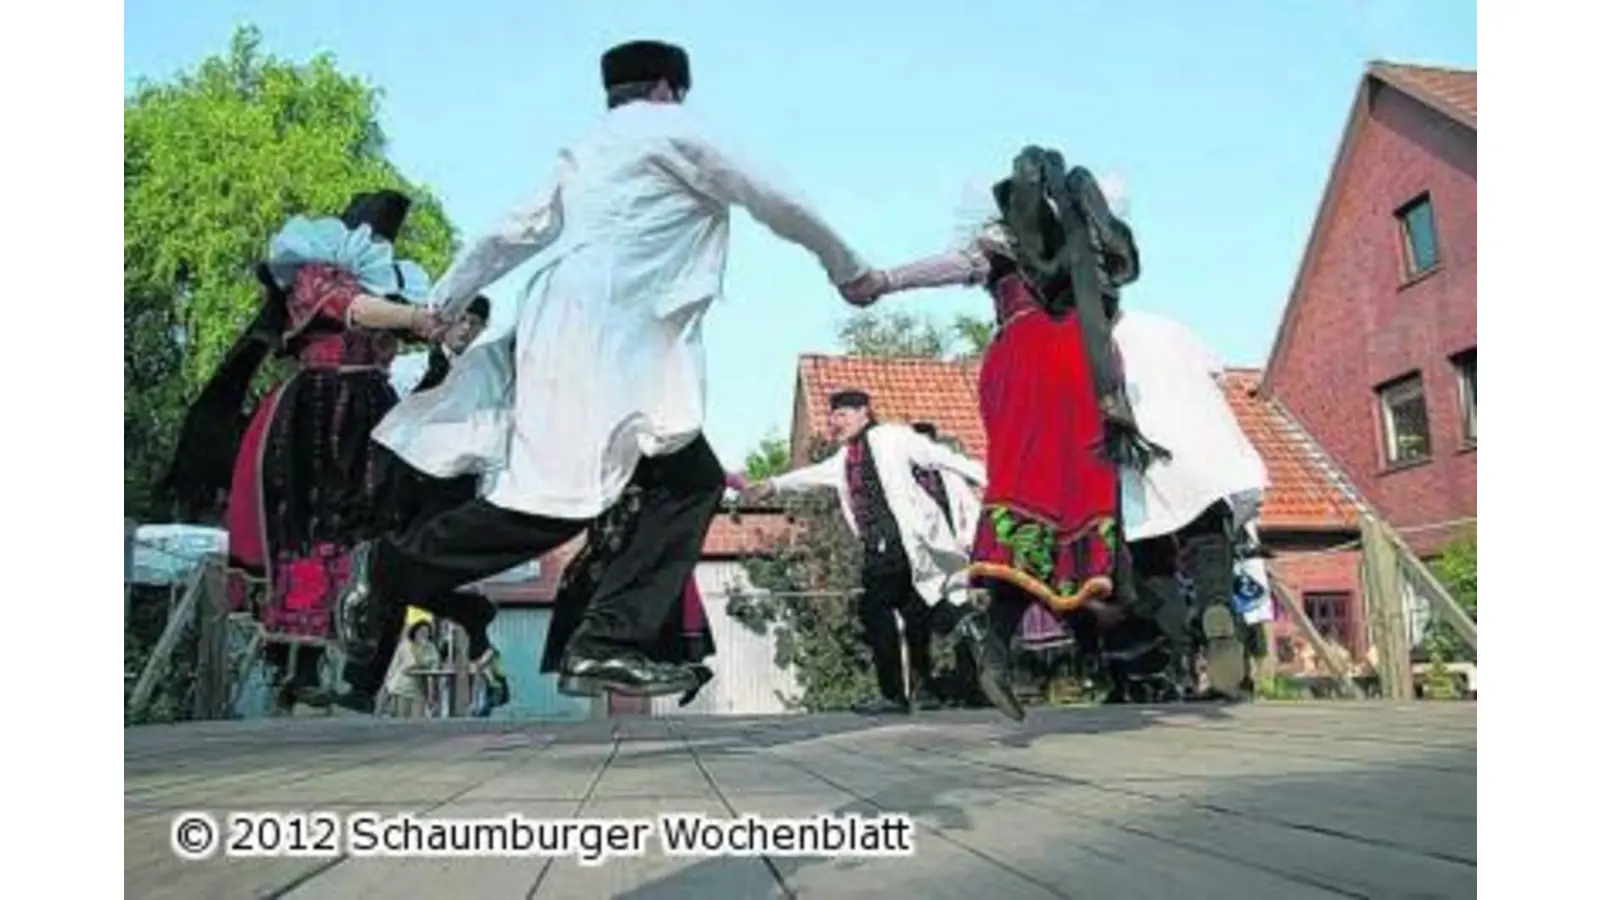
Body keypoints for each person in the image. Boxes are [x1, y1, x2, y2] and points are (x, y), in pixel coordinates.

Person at [332, 39, 879, 711]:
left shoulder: (588, 147)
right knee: (552, 505)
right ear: (667, 87)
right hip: (611, 342)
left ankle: (605, 637)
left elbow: (510, 232)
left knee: (683, 481)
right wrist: (849, 267)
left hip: (567, 329)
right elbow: (777, 194)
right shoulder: (675, 126)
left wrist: (440, 304)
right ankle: (402, 568)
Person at [848, 149, 1161, 721]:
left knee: (1026, 497)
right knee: (1080, 506)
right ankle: (1110, 635)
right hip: (1089, 374)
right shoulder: (1090, 240)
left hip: (1024, 364)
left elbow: (954, 265)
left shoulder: (1005, 239)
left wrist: (885, 280)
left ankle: (1005, 644)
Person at [160, 189, 440, 713]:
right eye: (374, 233)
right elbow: (349, 309)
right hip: (312, 412)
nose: (378, 243)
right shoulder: (315, 271)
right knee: (307, 530)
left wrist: (440, 323)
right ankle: (302, 666)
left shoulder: (393, 280)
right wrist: (415, 320)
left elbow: (406, 325)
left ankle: (352, 671)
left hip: (373, 412)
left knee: (377, 530)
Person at [745, 391, 986, 715]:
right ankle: (966, 623)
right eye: (833, 416)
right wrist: (772, 484)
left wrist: (989, 478)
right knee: (916, 606)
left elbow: (938, 456)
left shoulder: (892, 437)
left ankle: (894, 695)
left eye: (842, 415)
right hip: (878, 545)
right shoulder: (845, 459)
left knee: (874, 609)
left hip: (899, 540)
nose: (835, 422)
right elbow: (809, 477)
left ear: (863, 413)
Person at [1113, 308, 1269, 700]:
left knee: (1151, 558)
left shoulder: (1093, 340)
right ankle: (1215, 607)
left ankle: (1180, 658)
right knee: (1208, 539)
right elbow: (1217, 374)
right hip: (1204, 443)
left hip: (1145, 446)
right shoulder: (1170, 328)